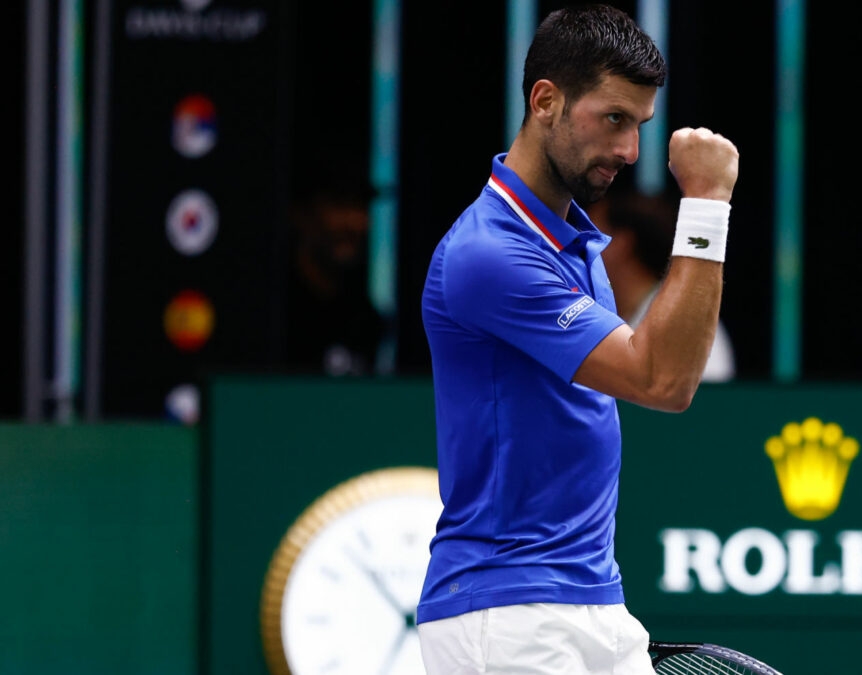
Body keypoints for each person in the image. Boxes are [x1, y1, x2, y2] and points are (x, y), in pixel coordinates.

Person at [415, 4, 739, 674]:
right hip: (505, 612)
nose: (629, 152)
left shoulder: (576, 242)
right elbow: (663, 381)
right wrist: (706, 202)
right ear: (546, 101)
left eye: (640, 126)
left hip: (595, 599)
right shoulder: (488, 253)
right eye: (613, 119)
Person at [588, 187, 736, 382]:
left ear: (621, 244)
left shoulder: (682, 319)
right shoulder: (612, 319)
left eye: (591, 233)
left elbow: (700, 407)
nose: (578, 245)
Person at [282, 160, 386, 376]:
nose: (354, 223)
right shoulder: (275, 313)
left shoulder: (364, 318)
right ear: (300, 214)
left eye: (360, 206)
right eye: (339, 205)